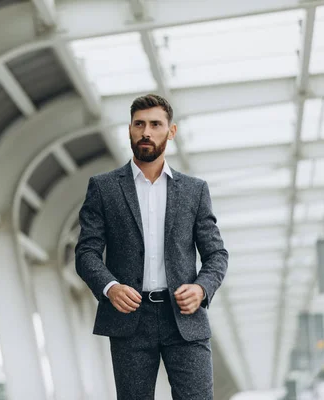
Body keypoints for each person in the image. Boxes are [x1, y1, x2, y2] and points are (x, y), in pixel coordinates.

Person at [75, 94, 228, 399]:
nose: (146, 132)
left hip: (184, 318)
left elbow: (216, 255)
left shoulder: (194, 191)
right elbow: (86, 252)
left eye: (156, 124)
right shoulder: (104, 188)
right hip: (130, 318)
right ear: (129, 129)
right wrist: (110, 287)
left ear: (171, 131)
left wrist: (201, 289)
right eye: (139, 124)